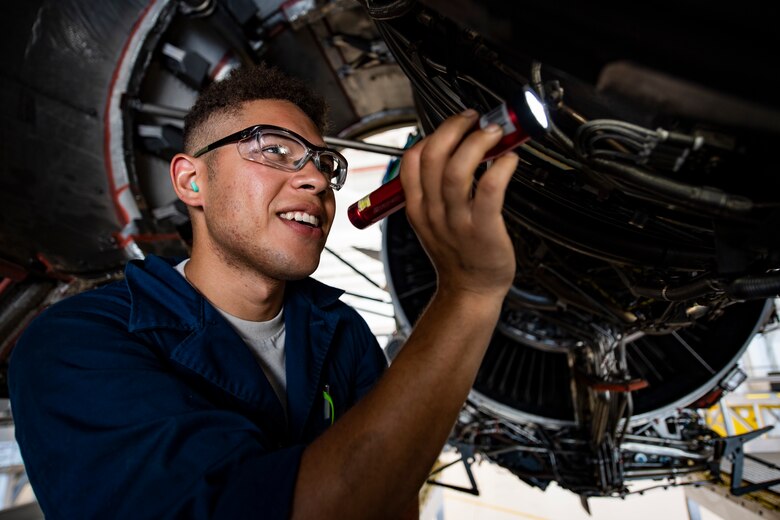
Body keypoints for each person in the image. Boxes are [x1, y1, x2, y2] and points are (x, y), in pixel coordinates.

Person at [8, 63, 519, 519]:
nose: (316, 181)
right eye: (275, 150)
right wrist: (467, 295)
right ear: (191, 182)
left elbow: (391, 496)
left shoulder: (343, 332)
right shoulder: (76, 343)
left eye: (324, 164)